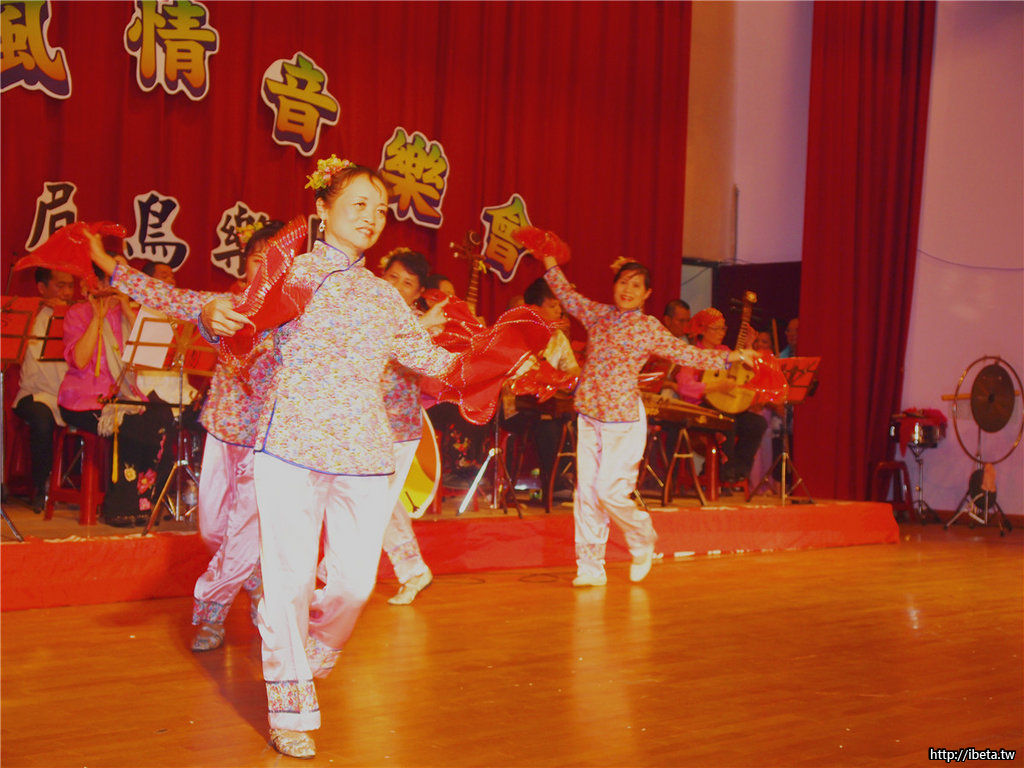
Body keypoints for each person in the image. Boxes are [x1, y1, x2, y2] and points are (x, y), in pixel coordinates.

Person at [201, 158, 457, 759]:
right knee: (287, 581)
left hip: (364, 453)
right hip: (289, 446)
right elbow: (234, 327)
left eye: (381, 209)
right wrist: (211, 318)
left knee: (354, 584)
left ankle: (314, 649)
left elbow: (435, 361)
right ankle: (290, 706)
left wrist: (504, 363)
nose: (372, 217)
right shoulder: (290, 275)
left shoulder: (383, 295)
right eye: (359, 204)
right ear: (323, 209)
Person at [85, 221, 285, 652]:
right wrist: (108, 265)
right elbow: (167, 297)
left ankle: (211, 615)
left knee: (243, 531)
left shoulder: (295, 317)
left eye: (275, 262)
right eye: (257, 260)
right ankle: (254, 581)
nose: (265, 270)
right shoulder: (222, 306)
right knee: (213, 532)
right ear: (244, 265)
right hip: (222, 432)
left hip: (268, 444)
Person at [535, 246, 756, 586]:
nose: (628, 290)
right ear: (615, 285)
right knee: (586, 494)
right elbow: (565, 293)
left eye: (636, 285)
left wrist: (732, 358)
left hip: (623, 421)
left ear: (647, 294)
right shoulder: (598, 314)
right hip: (590, 415)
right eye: (623, 282)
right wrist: (548, 256)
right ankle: (590, 568)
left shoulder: (648, 328)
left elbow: (686, 353)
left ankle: (642, 538)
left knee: (609, 493)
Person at [57, 266, 176, 526]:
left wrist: (126, 310)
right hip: (83, 400)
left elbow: (150, 357)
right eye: (107, 282)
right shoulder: (77, 314)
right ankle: (121, 506)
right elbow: (80, 360)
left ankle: (146, 500)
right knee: (129, 423)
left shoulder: (128, 313)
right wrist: (97, 319)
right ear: (93, 285)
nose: (113, 288)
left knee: (162, 416)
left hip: (125, 396)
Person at [376, 248, 448, 605]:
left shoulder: (424, 325)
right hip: (360, 424)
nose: (397, 287)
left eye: (407, 284)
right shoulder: (365, 311)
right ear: (381, 276)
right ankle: (413, 571)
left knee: (376, 502)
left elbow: (428, 362)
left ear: (419, 292)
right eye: (393, 278)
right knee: (375, 502)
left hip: (399, 429)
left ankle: (333, 577)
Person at [675, 308, 768, 485]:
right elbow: (684, 386)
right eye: (716, 328)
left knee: (757, 423)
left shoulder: (726, 351)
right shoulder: (693, 353)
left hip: (726, 409)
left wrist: (748, 346)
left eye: (723, 328)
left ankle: (739, 471)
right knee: (727, 420)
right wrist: (714, 387)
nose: (721, 333)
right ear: (703, 330)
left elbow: (743, 373)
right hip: (700, 410)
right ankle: (725, 470)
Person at [12, 268, 74, 511]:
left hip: (70, 395)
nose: (67, 292)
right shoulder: (29, 315)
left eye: (70, 286)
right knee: (41, 418)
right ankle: (41, 487)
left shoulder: (78, 316)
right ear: (42, 288)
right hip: (33, 394)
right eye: (60, 285)